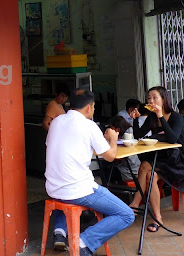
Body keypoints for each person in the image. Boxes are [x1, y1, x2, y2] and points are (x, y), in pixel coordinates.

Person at [45, 90, 134, 256]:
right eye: (93, 107)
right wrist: (112, 139)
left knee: (67, 186)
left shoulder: (56, 122)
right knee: (126, 214)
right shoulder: (89, 125)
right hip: (77, 190)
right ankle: (84, 242)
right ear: (89, 108)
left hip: (53, 188)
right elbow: (110, 157)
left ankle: (60, 232)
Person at [128, 86, 184, 233]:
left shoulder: (176, 117)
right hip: (162, 158)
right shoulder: (152, 117)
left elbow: (172, 139)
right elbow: (139, 134)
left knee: (147, 169)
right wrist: (135, 120)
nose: (151, 101)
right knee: (147, 169)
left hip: (179, 161)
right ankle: (156, 217)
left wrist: (160, 116)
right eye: (149, 98)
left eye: (155, 97)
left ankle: (135, 204)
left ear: (164, 99)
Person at [107, 115, 140, 183]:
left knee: (108, 170)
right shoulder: (126, 132)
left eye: (112, 128)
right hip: (135, 167)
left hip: (129, 169)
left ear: (118, 128)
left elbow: (120, 157)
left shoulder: (127, 136)